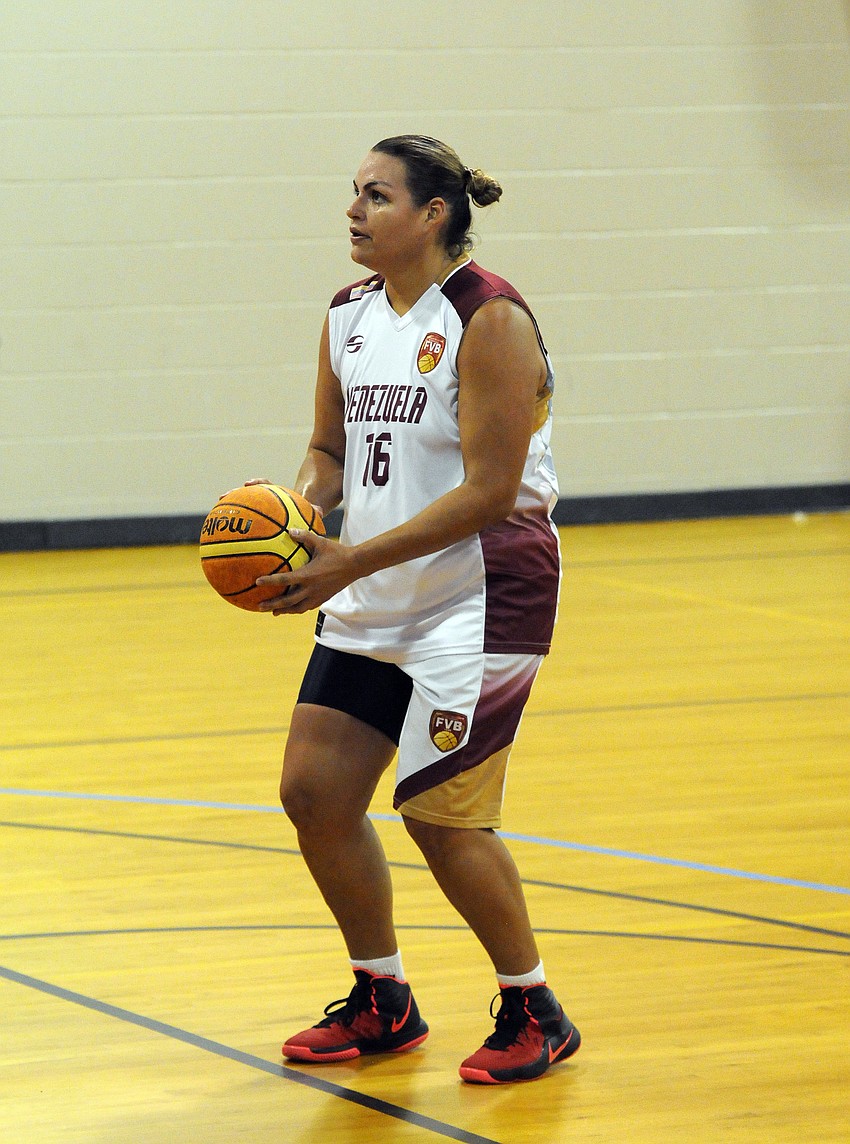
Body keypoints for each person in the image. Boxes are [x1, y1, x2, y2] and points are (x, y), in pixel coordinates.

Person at [250, 134, 580, 1084]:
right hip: (376, 586)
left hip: (481, 592)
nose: (354, 211)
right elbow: (329, 449)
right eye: (354, 193)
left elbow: (490, 492)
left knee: (441, 816)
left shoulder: (490, 317)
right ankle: (382, 998)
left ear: (433, 215)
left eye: (377, 196)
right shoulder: (347, 313)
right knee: (314, 793)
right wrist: (297, 514)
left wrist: (349, 560)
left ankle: (535, 1007)